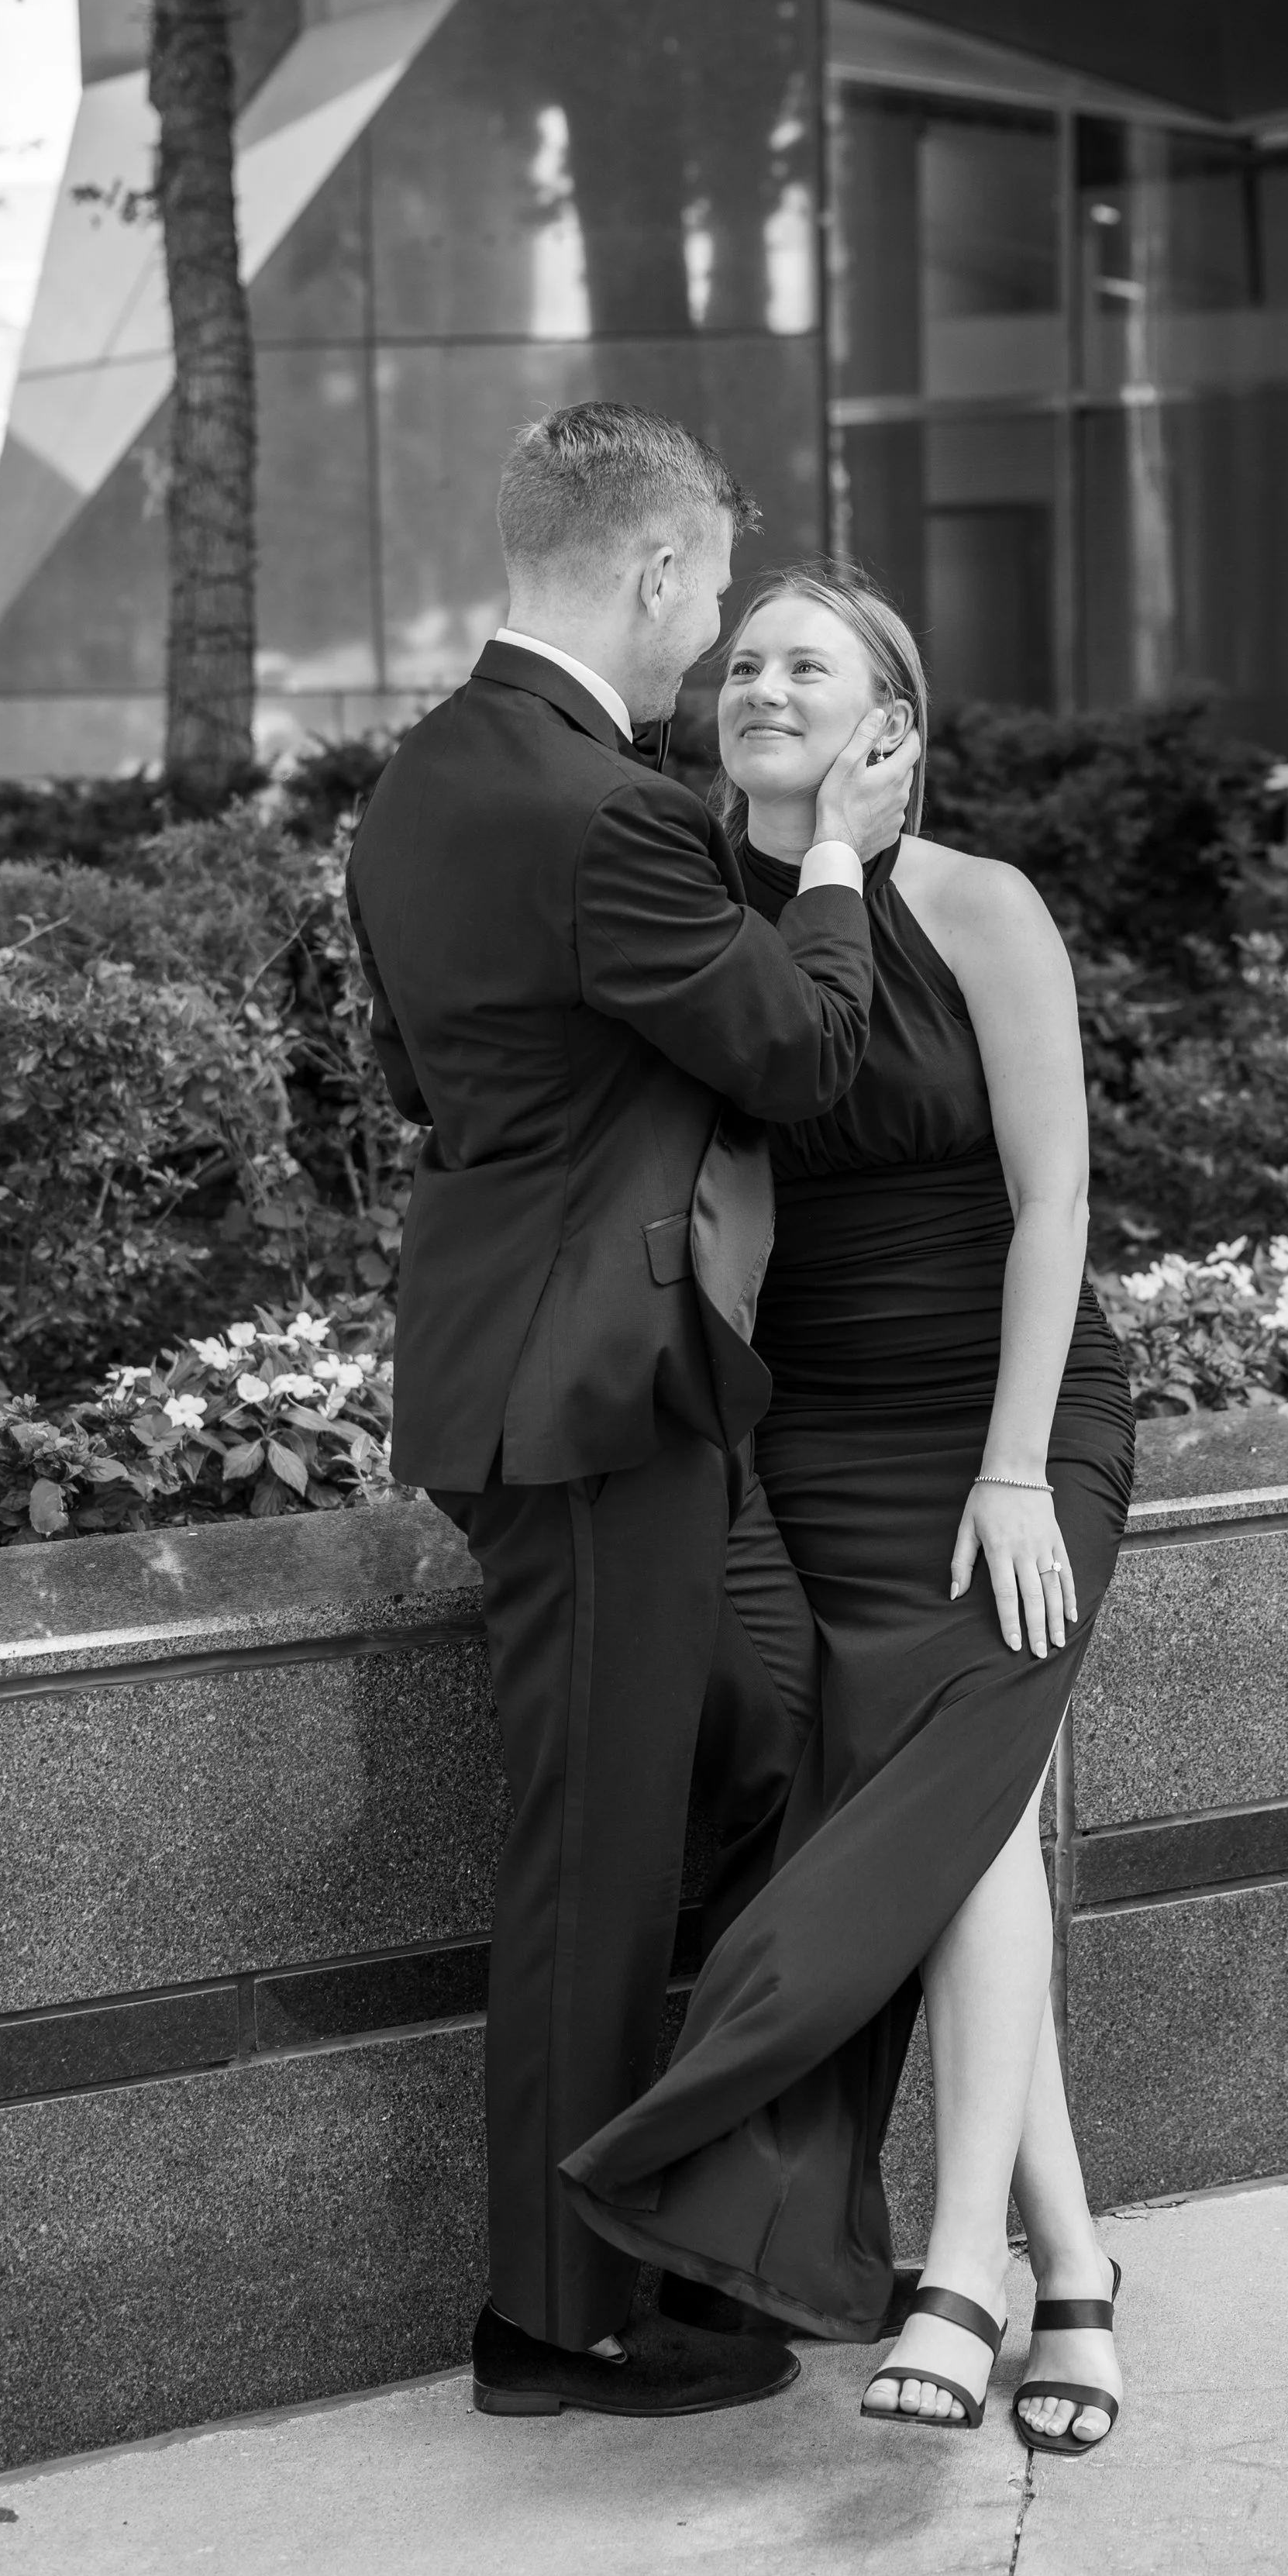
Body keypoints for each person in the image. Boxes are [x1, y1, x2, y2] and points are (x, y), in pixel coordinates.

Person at [346, 416, 918, 2420]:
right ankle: (555, 2316)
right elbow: (804, 1056)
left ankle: (698, 2217)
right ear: (668, 572)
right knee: (592, 1861)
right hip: (590, 1385)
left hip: (532, 1349)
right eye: (713, 605)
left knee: (746, 1736)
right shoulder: (606, 810)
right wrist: (835, 851)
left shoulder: (419, 781)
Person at [563, 564, 1135, 2457]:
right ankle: (1068, 2276)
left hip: (1008, 1422)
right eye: (741, 664)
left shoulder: (980, 906)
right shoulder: (710, 918)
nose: (761, 686)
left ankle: (964, 2271)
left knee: (954, 1821)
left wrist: (1007, 1467)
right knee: (948, 1835)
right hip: (804, 1438)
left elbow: (1053, 1203)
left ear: (892, 716)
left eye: (808, 662)